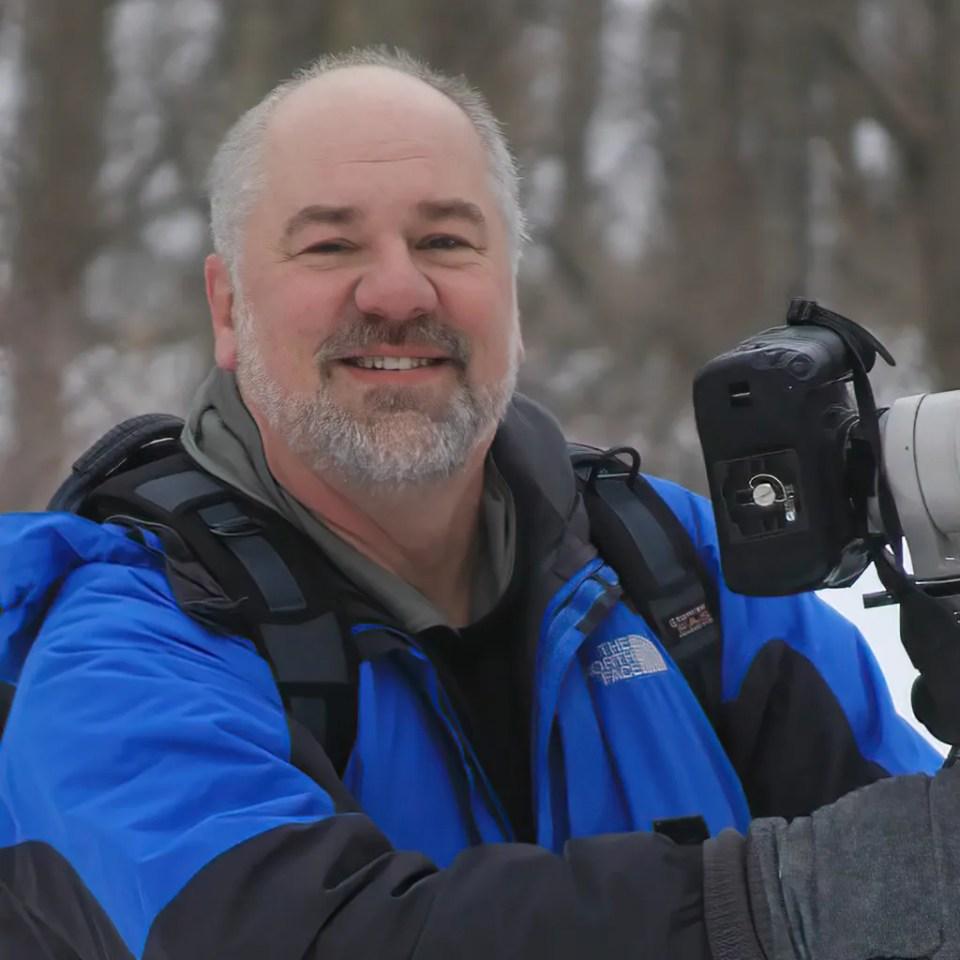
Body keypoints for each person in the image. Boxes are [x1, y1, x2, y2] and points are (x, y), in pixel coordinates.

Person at [0, 47, 956, 960]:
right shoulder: (121, 650)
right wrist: (778, 908)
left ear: (511, 292)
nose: (397, 288)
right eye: (330, 243)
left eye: (445, 240)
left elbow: (920, 865)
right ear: (226, 307)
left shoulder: (682, 569)